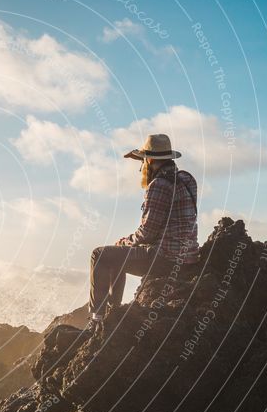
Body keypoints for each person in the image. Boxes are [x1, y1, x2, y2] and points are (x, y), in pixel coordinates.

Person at [85, 133, 199, 335]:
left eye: (143, 161)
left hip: (164, 258)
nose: (141, 167)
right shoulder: (187, 180)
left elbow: (147, 232)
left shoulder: (159, 186)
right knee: (117, 254)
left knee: (100, 255)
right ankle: (114, 310)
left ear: (151, 160)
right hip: (188, 258)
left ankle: (97, 319)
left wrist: (124, 242)